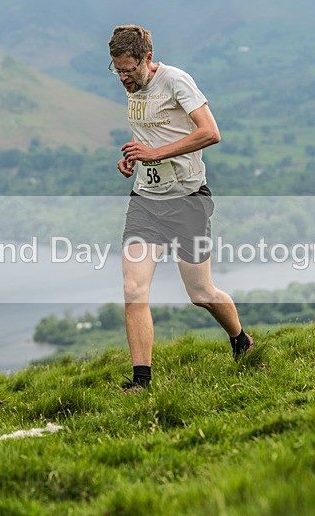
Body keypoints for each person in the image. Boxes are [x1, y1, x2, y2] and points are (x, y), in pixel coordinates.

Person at [108, 24, 255, 393]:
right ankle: (141, 380)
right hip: (146, 201)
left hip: (188, 200)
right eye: (117, 70)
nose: (123, 77)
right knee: (133, 288)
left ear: (147, 59)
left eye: (129, 69)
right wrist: (135, 159)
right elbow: (151, 135)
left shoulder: (176, 81)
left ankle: (241, 340)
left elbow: (210, 132)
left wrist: (155, 154)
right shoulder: (133, 87)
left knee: (200, 293)